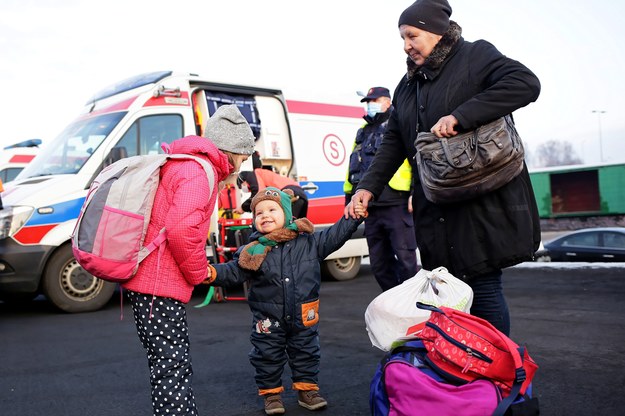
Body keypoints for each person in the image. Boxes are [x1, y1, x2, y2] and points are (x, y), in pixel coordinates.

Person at [345, 0, 541, 337]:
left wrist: (462, 115)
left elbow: (525, 83)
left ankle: (499, 375)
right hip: (434, 206)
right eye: (402, 38)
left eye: (412, 35)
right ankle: (467, 372)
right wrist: (368, 186)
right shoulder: (409, 85)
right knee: (452, 293)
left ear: (436, 32)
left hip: (479, 201)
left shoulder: (475, 56)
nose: (406, 45)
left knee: (483, 287)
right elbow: (394, 140)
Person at [123, 104, 255, 416]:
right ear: (231, 149)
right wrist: (199, 273)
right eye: (243, 155)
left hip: (148, 282)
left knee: (165, 366)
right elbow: (181, 229)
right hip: (160, 285)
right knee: (173, 369)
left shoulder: (182, 162)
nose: (243, 163)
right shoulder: (200, 171)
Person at [206, 187, 366, 415]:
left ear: (288, 215)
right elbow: (233, 271)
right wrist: (212, 273)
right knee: (267, 355)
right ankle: (271, 394)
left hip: (304, 315)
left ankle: (307, 390)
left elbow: (335, 235)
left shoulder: (309, 242)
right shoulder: (253, 251)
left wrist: (354, 217)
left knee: (306, 351)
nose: (265, 215)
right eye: (259, 213)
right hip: (268, 320)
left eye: (272, 209)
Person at [344, 86, 418, 291]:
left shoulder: (399, 124)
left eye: (374, 101)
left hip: (396, 203)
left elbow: (415, 159)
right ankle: (393, 303)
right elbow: (353, 165)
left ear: (387, 101)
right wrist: (349, 198)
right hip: (371, 208)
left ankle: (414, 306)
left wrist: (415, 193)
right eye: (368, 102)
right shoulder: (363, 131)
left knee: (406, 261)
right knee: (379, 264)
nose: (370, 105)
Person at [237, 167, 309, 219]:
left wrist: (243, 208)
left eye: (241, 186)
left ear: (244, 181)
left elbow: (258, 193)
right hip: (300, 195)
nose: (243, 188)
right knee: (297, 226)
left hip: (291, 195)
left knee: (286, 226)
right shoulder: (262, 175)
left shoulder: (252, 175)